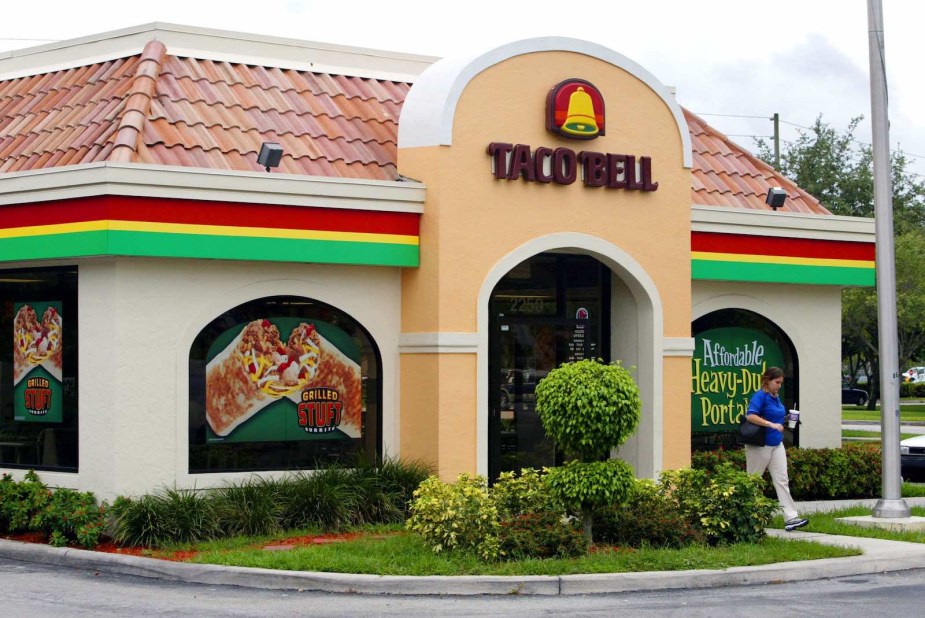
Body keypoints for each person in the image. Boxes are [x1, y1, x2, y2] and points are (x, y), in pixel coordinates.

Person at [745, 366, 808, 531]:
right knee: (753, 480)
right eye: (777, 382)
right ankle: (748, 516)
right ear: (768, 380)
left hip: (776, 444)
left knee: (782, 480)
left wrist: (787, 419)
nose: (779, 385)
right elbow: (750, 415)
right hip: (760, 444)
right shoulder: (760, 396)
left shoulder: (776, 397)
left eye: (781, 382)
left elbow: (776, 416)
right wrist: (770, 424)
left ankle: (791, 517)